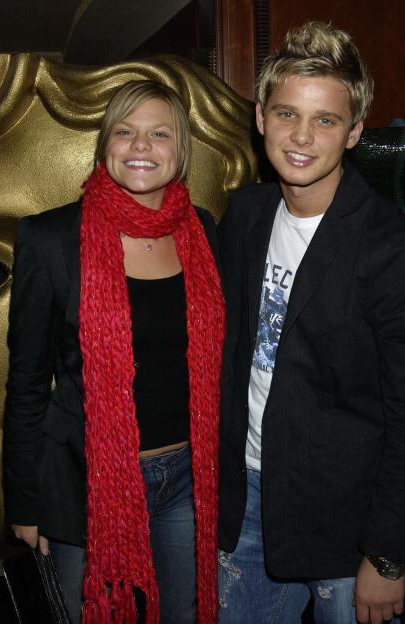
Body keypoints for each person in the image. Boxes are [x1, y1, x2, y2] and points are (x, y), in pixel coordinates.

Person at [4, 80, 225, 624]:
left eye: (158, 133)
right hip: (86, 484)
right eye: (125, 132)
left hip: (187, 479)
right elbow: (28, 382)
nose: (141, 146)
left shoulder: (205, 233)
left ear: (180, 149)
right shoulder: (52, 238)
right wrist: (26, 503)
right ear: (105, 144)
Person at [218, 21, 405, 624]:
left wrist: (389, 555)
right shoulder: (245, 213)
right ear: (260, 118)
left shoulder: (387, 246)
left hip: (348, 523)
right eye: (286, 114)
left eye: (325, 120)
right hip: (248, 498)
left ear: (354, 132)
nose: (302, 136)